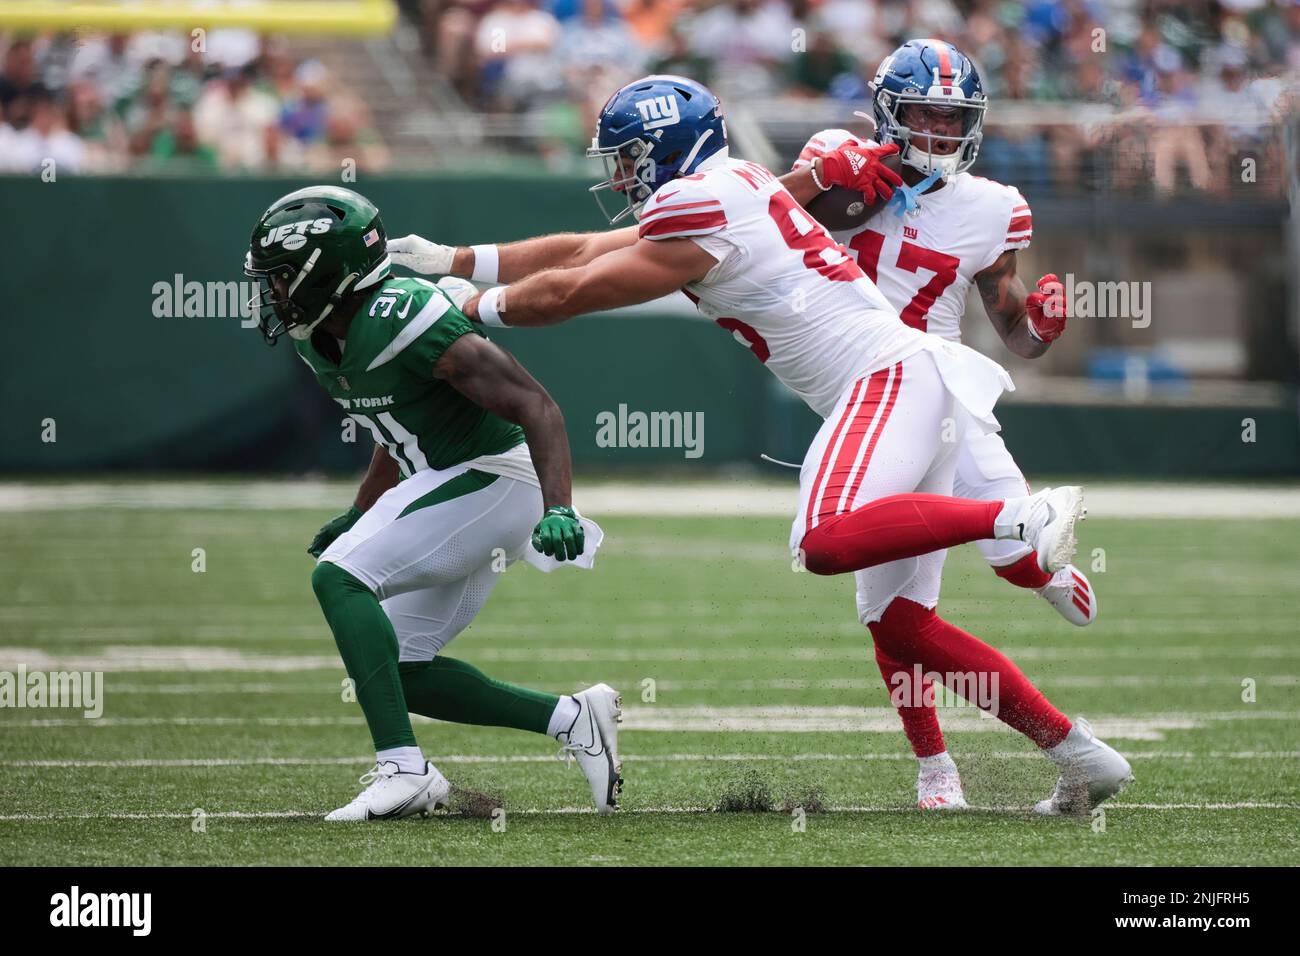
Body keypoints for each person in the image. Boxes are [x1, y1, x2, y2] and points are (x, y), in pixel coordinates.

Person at [386, 75, 1133, 816]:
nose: (618, 174)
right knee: (900, 625)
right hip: (902, 383)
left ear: (665, 149)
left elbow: (568, 293)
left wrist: (463, 310)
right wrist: (454, 261)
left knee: (822, 541)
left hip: (887, 378)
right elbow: (584, 248)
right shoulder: (730, 180)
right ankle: (1078, 753)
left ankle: (1013, 520)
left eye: (628, 156)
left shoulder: (700, 204)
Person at [244, 185, 622, 821]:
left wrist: (561, 507)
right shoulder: (319, 333)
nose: (272, 294)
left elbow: (537, 405)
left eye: (282, 278)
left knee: (340, 577)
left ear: (328, 272)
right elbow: (395, 426)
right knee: (403, 665)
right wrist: (364, 508)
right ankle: (573, 718)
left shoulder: (404, 314)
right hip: (456, 483)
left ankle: (404, 768)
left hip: (496, 478)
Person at [785, 39, 1097, 808]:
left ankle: (1044, 567)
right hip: (866, 396)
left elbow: (1013, 331)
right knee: (890, 615)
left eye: (953, 117)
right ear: (889, 109)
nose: (938, 130)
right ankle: (935, 766)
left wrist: (1043, 332)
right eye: (924, 113)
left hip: (946, 395)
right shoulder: (838, 156)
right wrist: (820, 179)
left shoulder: (991, 207)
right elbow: (759, 219)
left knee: (1011, 563)